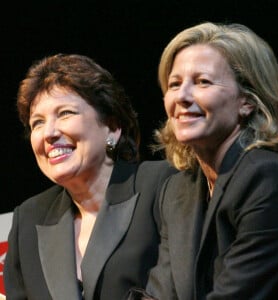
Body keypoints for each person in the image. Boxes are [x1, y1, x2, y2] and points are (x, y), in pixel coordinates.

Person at [127, 22, 278, 299]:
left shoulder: (268, 179)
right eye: (174, 84)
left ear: (247, 100)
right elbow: (159, 293)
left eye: (202, 82)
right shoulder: (177, 190)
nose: (181, 97)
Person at [3, 53, 177, 300]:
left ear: (112, 127)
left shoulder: (161, 185)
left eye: (65, 113)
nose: (49, 133)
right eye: (37, 123)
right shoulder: (29, 219)